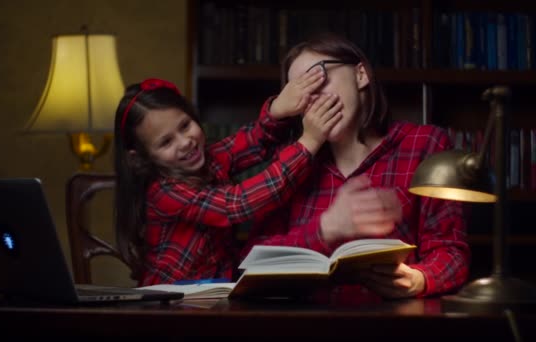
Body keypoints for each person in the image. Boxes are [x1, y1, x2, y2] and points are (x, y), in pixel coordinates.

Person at [244, 32, 470, 300]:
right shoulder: (289, 164)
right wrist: (323, 230)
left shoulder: (424, 144)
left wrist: (419, 279)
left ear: (361, 75)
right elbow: (251, 259)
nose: (312, 98)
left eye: (317, 78)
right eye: (299, 92)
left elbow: (451, 251)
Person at [113, 76, 344, 286]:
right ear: (141, 158)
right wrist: (309, 142)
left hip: (215, 292)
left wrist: (277, 109)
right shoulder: (163, 191)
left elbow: (254, 139)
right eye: (166, 142)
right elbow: (238, 203)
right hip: (168, 303)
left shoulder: (211, 157)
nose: (185, 142)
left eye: (185, 126)